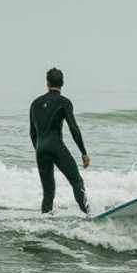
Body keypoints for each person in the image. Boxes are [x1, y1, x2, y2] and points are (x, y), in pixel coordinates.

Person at [29, 67, 91, 216]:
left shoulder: (35, 103)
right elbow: (74, 128)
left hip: (41, 149)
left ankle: (45, 221)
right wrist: (83, 152)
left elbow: (32, 132)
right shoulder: (64, 102)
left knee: (48, 192)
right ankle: (89, 215)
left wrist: (38, 148)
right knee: (76, 181)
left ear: (47, 83)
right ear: (62, 83)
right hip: (56, 146)